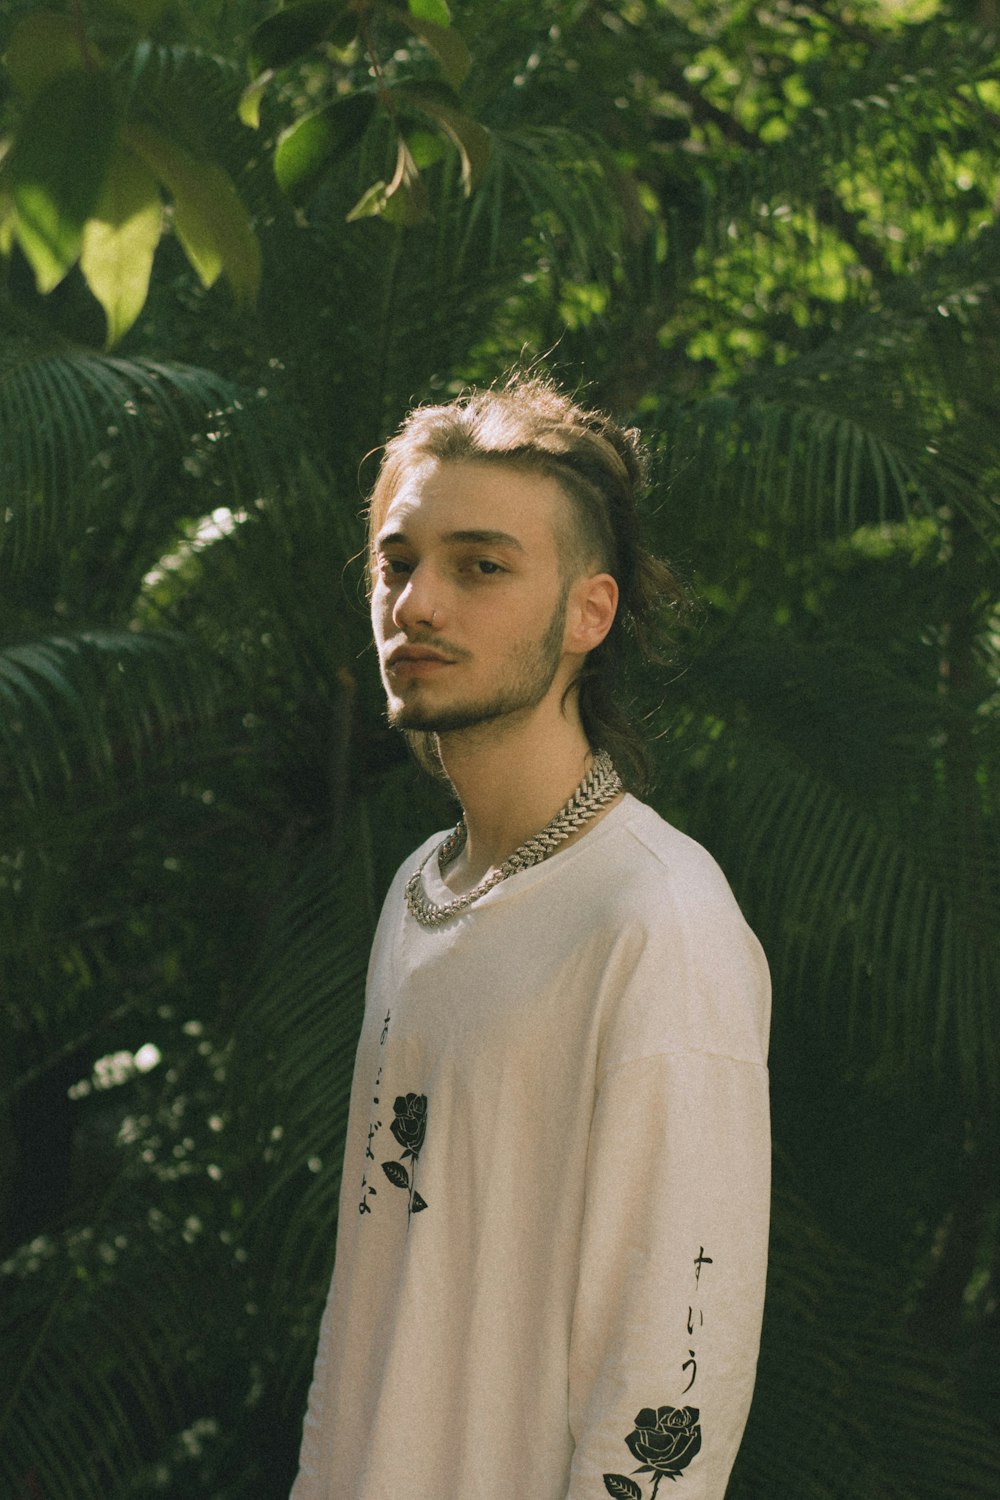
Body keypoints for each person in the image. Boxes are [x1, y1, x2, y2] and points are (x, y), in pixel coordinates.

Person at [290, 376, 771, 1500]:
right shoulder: (421, 891)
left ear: (589, 613)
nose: (417, 605)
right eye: (396, 562)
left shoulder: (659, 920)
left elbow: (672, 1382)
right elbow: (369, 1297)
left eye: (481, 566)